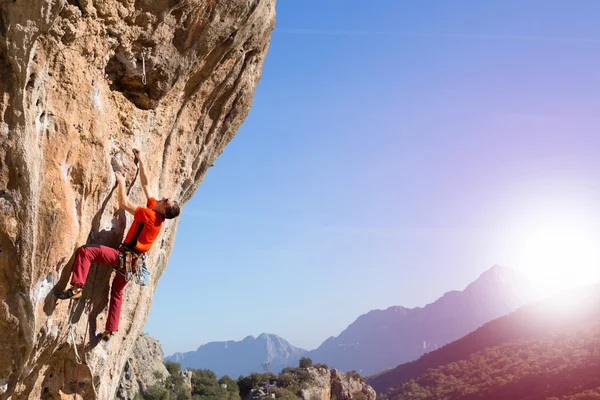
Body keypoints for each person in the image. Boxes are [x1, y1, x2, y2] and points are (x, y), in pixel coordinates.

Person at [55, 149, 180, 341]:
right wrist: (141, 161)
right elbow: (146, 184)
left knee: (86, 252)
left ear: (164, 209)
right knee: (117, 292)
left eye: (165, 201)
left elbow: (123, 203)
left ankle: (77, 288)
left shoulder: (150, 216)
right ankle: (110, 329)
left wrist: (121, 183)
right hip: (132, 264)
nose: (162, 198)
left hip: (122, 257)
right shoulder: (156, 212)